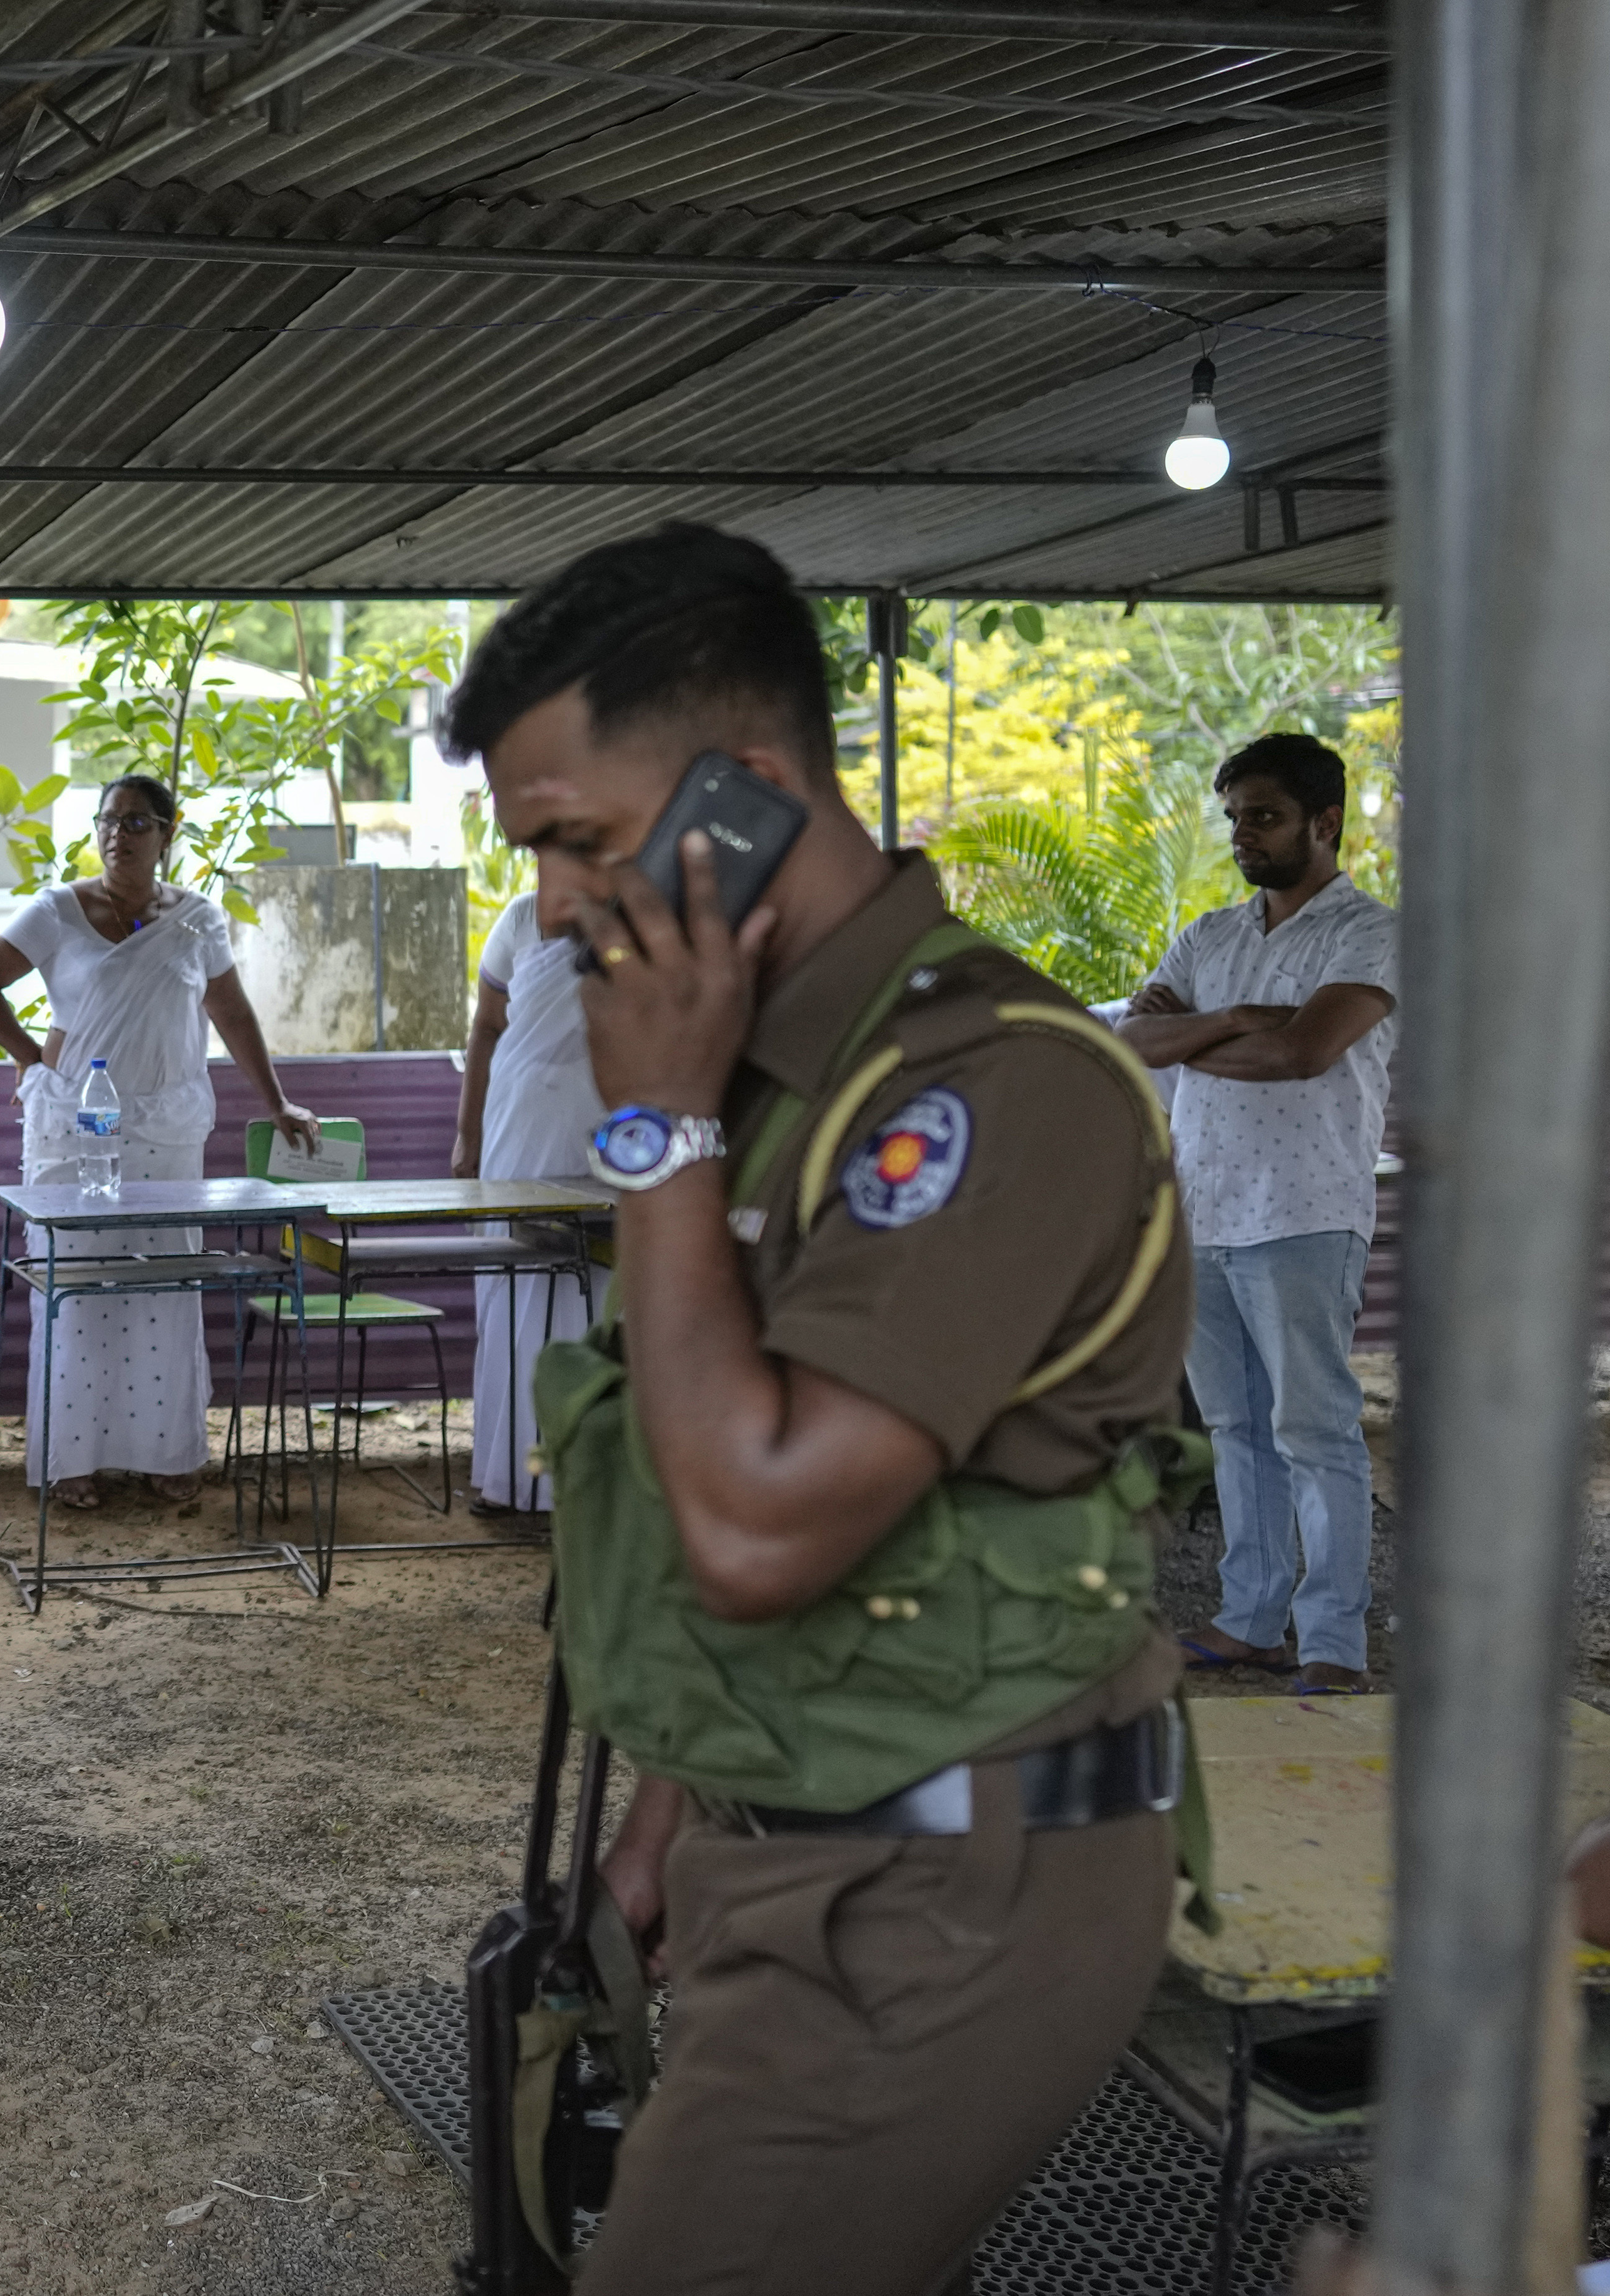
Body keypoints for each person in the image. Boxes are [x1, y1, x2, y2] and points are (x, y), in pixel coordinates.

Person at [458, 522, 1198, 2295]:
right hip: (797, 1837)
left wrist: (650, 1133)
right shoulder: (791, 1082)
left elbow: (756, 1525)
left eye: (578, 840)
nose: (554, 907)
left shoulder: (988, 1088)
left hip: (940, 1898)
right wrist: (661, 1819)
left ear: (749, 793)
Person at [0, 777, 316, 1509]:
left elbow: (232, 1014)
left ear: (167, 833)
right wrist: (33, 1059)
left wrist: (276, 1103)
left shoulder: (198, 919)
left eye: (137, 821)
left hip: (167, 1125)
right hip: (73, 1129)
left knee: (163, 1289)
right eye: (109, 821)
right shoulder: (58, 910)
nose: (120, 833)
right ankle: (71, 1461)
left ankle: (164, 1453)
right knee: (76, 1292)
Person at [1119, 735, 1398, 1697]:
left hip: (1306, 1212)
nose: (1244, 832)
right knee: (1236, 1429)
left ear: (1325, 823)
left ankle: (1332, 1640)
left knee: (1315, 1431)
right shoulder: (1210, 937)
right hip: (1203, 1212)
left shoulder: (1368, 933)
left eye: (1265, 815)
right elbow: (1134, 1044)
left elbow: (1307, 1053)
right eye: (1235, 815)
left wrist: (1195, 1029)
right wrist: (1240, 1019)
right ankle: (1251, 1619)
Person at [451, 876, 606, 1512]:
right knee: (511, 1295)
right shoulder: (518, 920)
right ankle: (509, 1478)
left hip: (602, 1121)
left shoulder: (638, 916)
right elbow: (487, 1028)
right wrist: (468, 1135)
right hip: (517, 1126)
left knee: (590, 1289)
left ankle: (581, 1482)